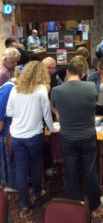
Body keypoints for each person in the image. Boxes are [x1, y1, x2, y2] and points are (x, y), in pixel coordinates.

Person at [51, 58, 103, 217]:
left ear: (67, 72)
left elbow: (55, 108)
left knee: (71, 170)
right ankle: (95, 202)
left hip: (68, 136)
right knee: (90, 170)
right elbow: (93, 104)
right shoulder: (91, 87)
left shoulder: (57, 90)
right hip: (88, 134)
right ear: (82, 74)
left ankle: (73, 203)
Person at [6, 61, 55, 212]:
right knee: (35, 164)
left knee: (21, 167)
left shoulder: (15, 89)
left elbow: (9, 112)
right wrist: (52, 130)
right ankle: (37, 192)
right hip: (34, 135)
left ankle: (24, 203)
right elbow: (47, 114)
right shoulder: (41, 90)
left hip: (16, 136)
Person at [0, 66, 23, 192]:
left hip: (9, 132)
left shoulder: (10, 88)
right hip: (8, 131)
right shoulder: (10, 87)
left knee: (12, 161)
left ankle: (13, 185)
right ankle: (12, 185)